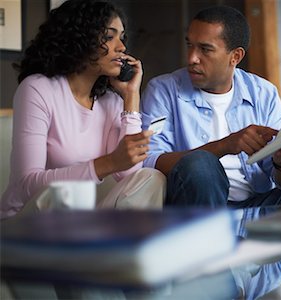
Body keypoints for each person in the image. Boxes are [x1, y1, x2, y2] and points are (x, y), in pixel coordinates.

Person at [141, 5, 281, 209]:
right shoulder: (164, 90)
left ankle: (248, 235)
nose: (192, 58)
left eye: (205, 49)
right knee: (200, 165)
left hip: (259, 207)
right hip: (201, 208)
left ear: (235, 56)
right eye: (190, 45)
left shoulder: (263, 93)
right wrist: (225, 145)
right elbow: (149, 160)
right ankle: (235, 238)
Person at [0, 0, 165, 220]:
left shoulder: (110, 102)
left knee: (150, 178)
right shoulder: (37, 89)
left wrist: (131, 97)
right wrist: (107, 163)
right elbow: (27, 185)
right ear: (79, 39)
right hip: (29, 220)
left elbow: (128, 175)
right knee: (59, 197)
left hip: (86, 221)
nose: (122, 47)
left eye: (121, 37)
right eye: (109, 36)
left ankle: (117, 248)